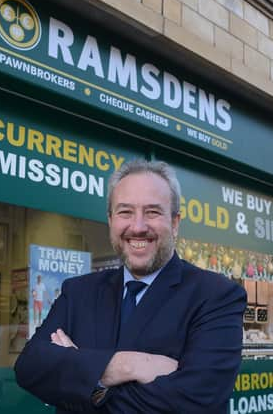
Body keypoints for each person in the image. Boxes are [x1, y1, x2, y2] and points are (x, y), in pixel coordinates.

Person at [15, 159, 247, 413]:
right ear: (110, 220)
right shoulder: (79, 291)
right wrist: (126, 365)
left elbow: (194, 403)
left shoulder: (216, 295)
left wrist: (83, 377)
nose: (137, 227)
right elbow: (30, 367)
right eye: (125, 212)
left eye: (153, 212)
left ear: (175, 222)